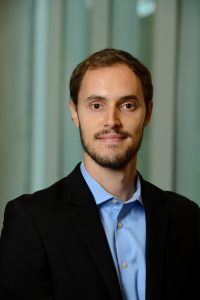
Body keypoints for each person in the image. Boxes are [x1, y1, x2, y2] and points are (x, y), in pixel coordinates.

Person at [0, 48, 199, 300]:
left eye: (127, 105)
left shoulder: (187, 219)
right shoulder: (32, 221)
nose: (111, 121)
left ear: (148, 112)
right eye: (96, 105)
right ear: (75, 113)